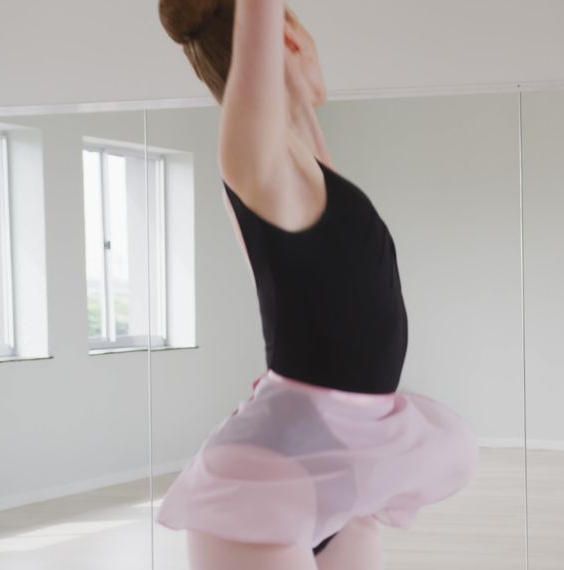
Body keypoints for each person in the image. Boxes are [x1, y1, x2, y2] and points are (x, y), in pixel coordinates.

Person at [154, 1, 479, 567]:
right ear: (289, 36)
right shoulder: (257, 161)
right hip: (268, 478)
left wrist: (298, 93)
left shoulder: (306, 167)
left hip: (340, 470)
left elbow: (290, 104)